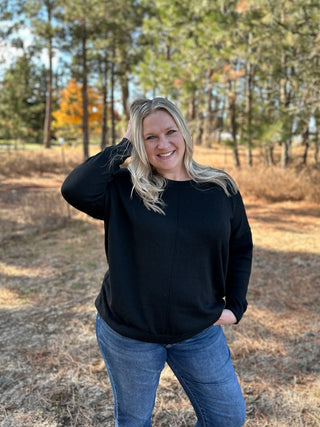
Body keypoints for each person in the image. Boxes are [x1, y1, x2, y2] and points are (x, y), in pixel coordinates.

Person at [61, 97, 253, 427]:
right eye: (149, 137)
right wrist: (124, 145)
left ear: (184, 133)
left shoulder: (219, 188)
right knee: (134, 420)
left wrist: (235, 305)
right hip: (129, 334)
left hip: (198, 331)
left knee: (228, 417)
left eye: (170, 132)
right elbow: (74, 188)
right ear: (138, 141)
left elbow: (241, 247)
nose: (162, 144)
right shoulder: (124, 188)